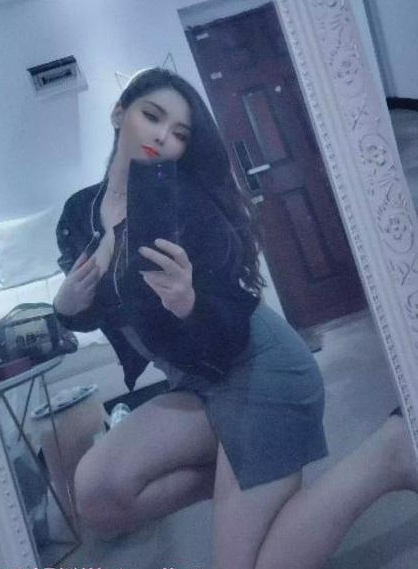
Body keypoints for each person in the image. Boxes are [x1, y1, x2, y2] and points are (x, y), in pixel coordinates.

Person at [53, 67, 418, 569]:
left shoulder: (187, 206)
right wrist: (64, 307)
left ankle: (391, 452)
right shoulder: (79, 212)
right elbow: (95, 306)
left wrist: (190, 304)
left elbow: (228, 327)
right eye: (152, 116)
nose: (162, 136)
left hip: (258, 367)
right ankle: (250, 476)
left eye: (179, 133)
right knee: (97, 493)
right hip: (196, 380)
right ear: (119, 115)